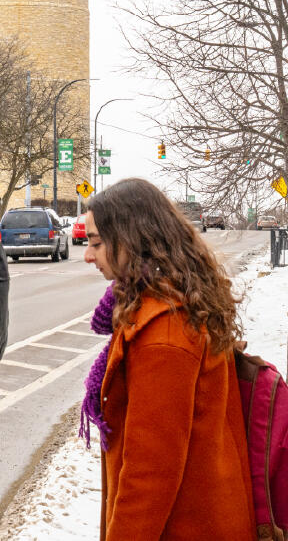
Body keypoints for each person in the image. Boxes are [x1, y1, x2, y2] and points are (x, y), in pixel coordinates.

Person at [81, 178, 255, 540]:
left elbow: (150, 474)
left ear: (132, 239)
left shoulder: (163, 333)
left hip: (183, 527)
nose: (87, 255)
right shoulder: (174, 303)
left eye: (96, 242)